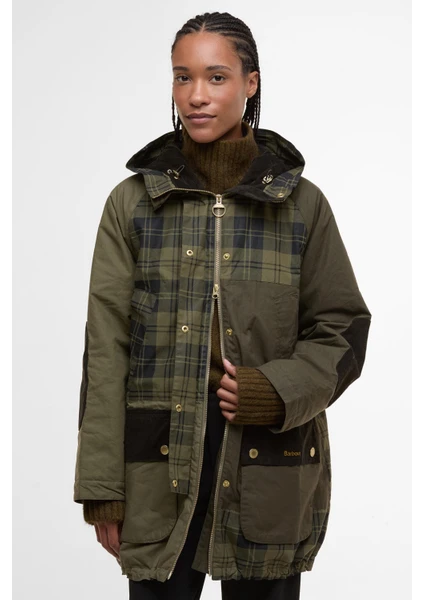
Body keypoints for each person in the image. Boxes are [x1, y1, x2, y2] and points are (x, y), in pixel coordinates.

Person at [73, 11, 372, 600]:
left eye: (216, 77)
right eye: (182, 77)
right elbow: (104, 350)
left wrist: (275, 390)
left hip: (268, 449)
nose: (196, 96)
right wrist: (102, 487)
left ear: (250, 83)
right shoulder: (131, 204)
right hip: (158, 458)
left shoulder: (302, 205)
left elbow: (344, 330)